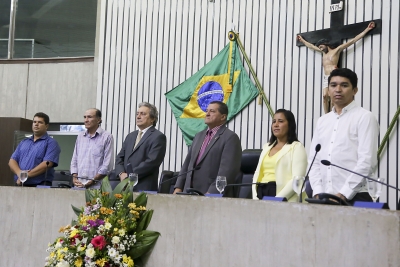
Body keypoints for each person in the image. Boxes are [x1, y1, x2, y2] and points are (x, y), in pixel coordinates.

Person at [308, 68, 379, 205]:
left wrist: (343, 194)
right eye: (333, 85)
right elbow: (314, 160)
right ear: (328, 90)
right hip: (324, 197)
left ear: (355, 90)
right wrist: (317, 192)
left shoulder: (365, 117)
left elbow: (367, 161)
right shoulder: (323, 121)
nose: (338, 89)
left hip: (356, 196)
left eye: (344, 85)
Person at [298, 22, 375, 113]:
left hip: (333, 76)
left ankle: (333, 113)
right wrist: (302, 40)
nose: (320, 49)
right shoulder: (323, 53)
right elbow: (310, 46)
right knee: (324, 96)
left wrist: (367, 29)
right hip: (326, 77)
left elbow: (352, 41)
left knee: (332, 98)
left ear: (326, 44)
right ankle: (326, 115)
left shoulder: (336, 50)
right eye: (319, 48)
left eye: (321, 46)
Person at [173, 101, 242, 196]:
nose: (207, 114)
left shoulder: (230, 137)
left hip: (210, 194)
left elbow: (227, 172)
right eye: (207, 111)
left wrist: (212, 193)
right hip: (188, 192)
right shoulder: (199, 136)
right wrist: (178, 187)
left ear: (223, 117)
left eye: (212, 111)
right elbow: (187, 163)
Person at [251, 109, 308, 202]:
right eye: (274, 122)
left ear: (290, 125)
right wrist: (255, 197)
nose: (276, 125)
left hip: (284, 197)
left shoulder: (297, 147)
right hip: (261, 192)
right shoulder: (266, 147)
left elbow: (297, 180)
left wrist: (277, 199)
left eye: (280, 121)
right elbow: (257, 173)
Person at [115, 102, 167, 191]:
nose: (138, 117)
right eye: (137, 114)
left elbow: (151, 162)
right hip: (123, 186)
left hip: (143, 187)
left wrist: (130, 176)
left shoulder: (158, 137)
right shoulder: (130, 136)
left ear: (152, 119)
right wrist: (121, 173)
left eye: (143, 114)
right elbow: (120, 157)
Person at [9, 112, 61, 187]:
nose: (36, 124)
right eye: (34, 122)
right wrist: (19, 173)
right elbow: (12, 161)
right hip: (20, 183)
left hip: (39, 185)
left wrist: (25, 176)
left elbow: (47, 164)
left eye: (40, 122)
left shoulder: (51, 143)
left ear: (46, 126)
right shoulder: (24, 142)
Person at [70, 108, 114, 189]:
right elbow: (74, 159)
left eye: (89, 117)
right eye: (84, 117)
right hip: (78, 186)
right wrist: (74, 177)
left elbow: (107, 165)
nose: (86, 120)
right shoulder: (80, 136)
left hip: (97, 186)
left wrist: (93, 181)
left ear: (98, 120)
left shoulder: (107, 137)